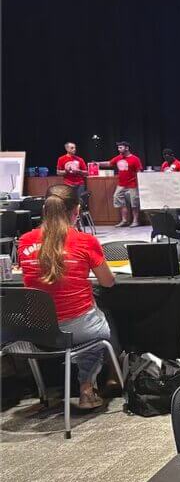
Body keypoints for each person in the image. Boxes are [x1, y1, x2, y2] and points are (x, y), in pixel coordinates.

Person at [16, 185, 115, 410]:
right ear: (76, 210)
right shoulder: (86, 242)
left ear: (44, 209)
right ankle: (88, 387)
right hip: (77, 330)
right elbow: (108, 282)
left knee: (88, 320)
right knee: (97, 322)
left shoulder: (25, 241)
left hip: (37, 332)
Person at [106, 141, 143, 227]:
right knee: (117, 198)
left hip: (132, 184)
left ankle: (135, 221)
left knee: (134, 202)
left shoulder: (135, 159)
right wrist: (98, 163)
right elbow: (109, 163)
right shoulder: (118, 158)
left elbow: (139, 171)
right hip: (121, 184)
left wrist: (139, 183)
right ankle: (124, 220)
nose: (119, 149)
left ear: (127, 148)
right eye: (118, 148)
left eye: (121, 147)